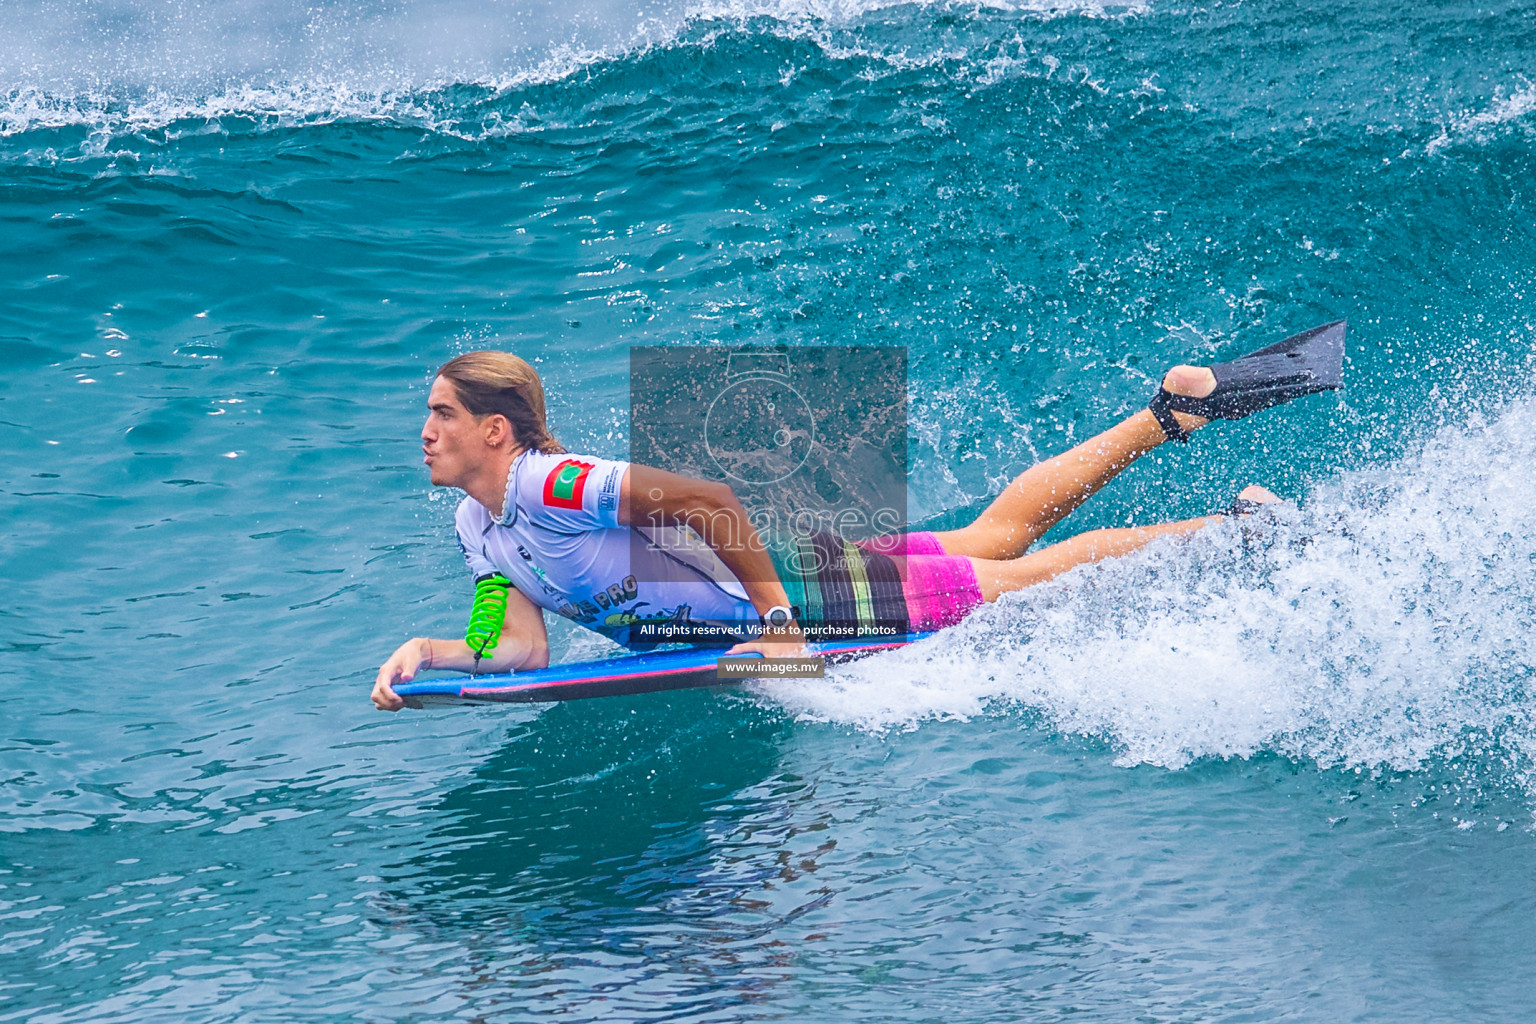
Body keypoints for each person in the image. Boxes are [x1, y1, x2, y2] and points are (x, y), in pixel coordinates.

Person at [373, 323, 1343, 711]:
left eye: (442, 415)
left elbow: (710, 502)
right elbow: (523, 652)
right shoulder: (480, 531)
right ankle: (1170, 412)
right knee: (991, 541)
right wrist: (435, 652)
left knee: (1017, 575)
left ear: (497, 432)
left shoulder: (554, 484)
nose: (424, 432)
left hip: (805, 589)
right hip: (796, 572)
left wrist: (784, 625)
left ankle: (1235, 528)